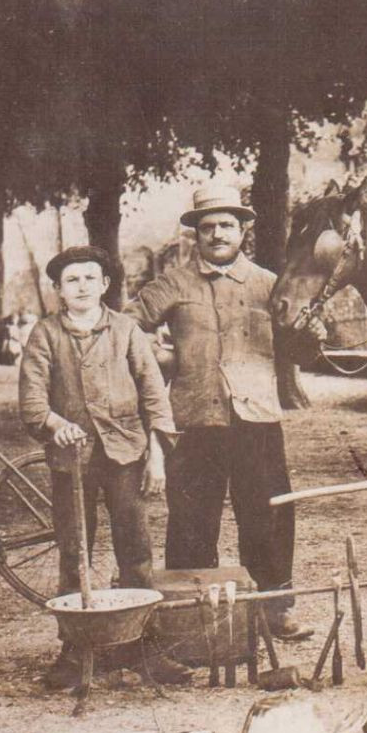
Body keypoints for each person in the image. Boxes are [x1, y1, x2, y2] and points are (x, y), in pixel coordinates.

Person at [126, 186, 311, 641]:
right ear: (195, 234)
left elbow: (300, 344)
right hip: (193, 420)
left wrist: (311, 329)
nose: (216, 234)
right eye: (206, 227)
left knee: (267, 515)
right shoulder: (174, 283)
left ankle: (274, 609)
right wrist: (159, 356)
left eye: (225, 225)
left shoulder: (270, 284)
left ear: (243, 230)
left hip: (258, 419)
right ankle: (190, 618)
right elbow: (126, 327)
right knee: (191, 520)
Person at [19, 245, 189, 689]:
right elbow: (32, 401)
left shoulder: (126, 330)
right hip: (70, 462)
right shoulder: (45, 335)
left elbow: (154, 394)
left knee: (135, 550)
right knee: (75, 552)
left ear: (105, 285)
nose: (81, 287)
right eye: (71, 280)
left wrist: (156, 454)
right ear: (58, 289)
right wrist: (56, 424)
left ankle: (143, 647)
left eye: (90, 278)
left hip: (125, 454)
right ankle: (76, 651)